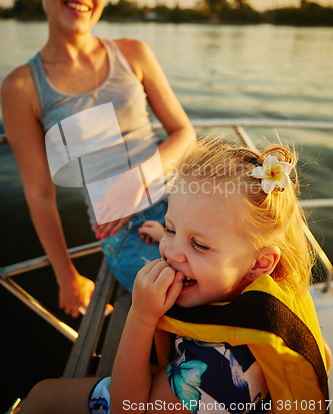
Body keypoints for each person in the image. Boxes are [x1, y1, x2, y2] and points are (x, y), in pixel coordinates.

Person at [17, 137, 329, 413]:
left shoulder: (219, 370)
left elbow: (127, 408)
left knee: (42, 396)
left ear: (259, 264)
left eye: (200, 244)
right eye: (171, 227)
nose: (169, 252)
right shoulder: (272, 288)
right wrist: (178, 235)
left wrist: (141, 316)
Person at [1, 0, 196, 317]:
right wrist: (66, 276)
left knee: (250, 274)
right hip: (122, 230)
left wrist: (134, 183)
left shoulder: (134, 53)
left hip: (189, 200)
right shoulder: (22, 87)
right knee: (187, 304)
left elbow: (183, 132)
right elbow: (39, 193)